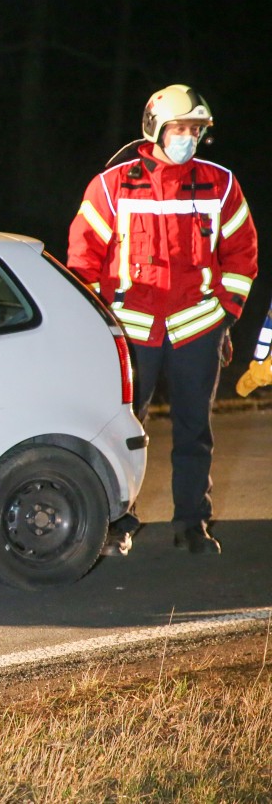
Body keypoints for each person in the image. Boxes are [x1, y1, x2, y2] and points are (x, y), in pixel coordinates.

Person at [67, 84, 258, 556]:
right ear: (155, 128)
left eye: (196, 130)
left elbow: (242, 256)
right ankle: (117, 521)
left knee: (195, 431)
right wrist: (96, 330)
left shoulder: (221, 184)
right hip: (131, 334)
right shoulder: (112, 187)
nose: (188, 137)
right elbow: (82, 260)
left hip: (197, 331)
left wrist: (224, 318)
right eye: (180, 128)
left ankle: (192, 523)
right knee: (121, 432)